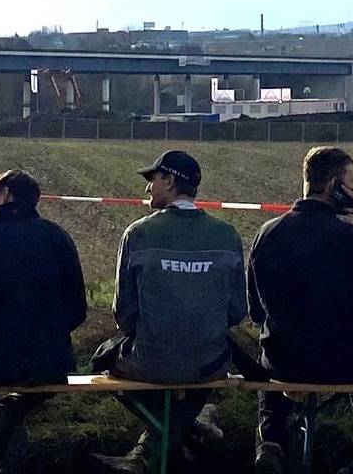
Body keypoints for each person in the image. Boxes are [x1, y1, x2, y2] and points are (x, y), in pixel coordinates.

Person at [249, 146, 353, 474]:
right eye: (352, 183)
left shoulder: (267, 234)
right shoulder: (351, 237)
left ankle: (271, 442)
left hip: (286, 363)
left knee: (270, 347)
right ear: (334, 185)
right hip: (346, 362)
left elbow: (255, 310)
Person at [100, 150, 247, 474]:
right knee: (195, 371)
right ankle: (193, 424)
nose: (148, 189)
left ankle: (150, 451)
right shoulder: (227, 235)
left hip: (151, 361)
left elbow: (123, 313)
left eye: (152, 180)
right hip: (211, 363)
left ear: (169, 181)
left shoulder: (138, 234)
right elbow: (238, 311)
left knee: (103, 359)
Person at [0, 169, 90, 474]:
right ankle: (6, 425)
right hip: (47, 362)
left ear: (7, 194)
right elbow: (77, 308)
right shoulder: (57, 237)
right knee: (47, 381)